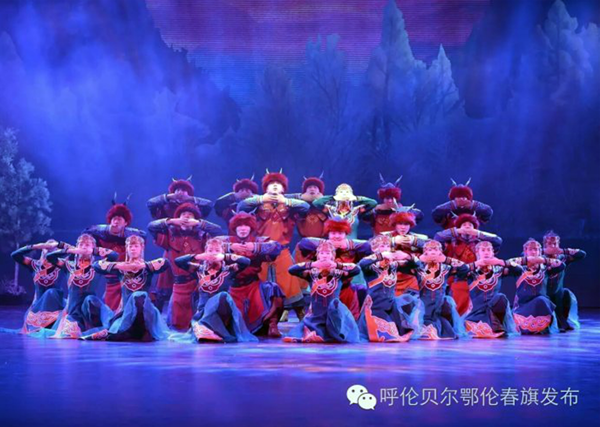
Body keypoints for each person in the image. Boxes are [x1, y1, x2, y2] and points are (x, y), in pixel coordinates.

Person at [237, 170, 310, 318]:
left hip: (282, 251)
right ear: (265, 188)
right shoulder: (258, 203)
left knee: (289, 283)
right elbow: (241, 207)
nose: (275, 186)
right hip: (262, 253)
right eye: (271, 184)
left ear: (283, 188)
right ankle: (264, 315)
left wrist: (286, 201)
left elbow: (305, 207)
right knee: (262, 283)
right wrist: (261, 199)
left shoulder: (289, 205)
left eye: (278, 184)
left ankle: (298, 314)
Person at [148, 203, 222, 330]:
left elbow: (218, 230)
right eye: (183, 215)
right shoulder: (170, 235)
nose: (186, 217)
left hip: (198, 285)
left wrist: (198, 223)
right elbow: (151, 227)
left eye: (190, 215)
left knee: (199, 324)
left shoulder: (202, 236)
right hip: (179, 286)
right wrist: (171, 221)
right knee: (176, 326)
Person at [147, 177, 212, 308]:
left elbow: (209, 205)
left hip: (193, 241)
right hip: (172, 241)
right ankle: (161, 309)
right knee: (166, 274)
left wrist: (189, 199)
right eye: (177, 190)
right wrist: (171, 217)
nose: (180, 192)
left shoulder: (195, 207)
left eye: (184, 190)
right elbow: (150, 204)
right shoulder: (167, 206)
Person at [175, 239, 257, 343]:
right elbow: (178, 261)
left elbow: (246, 262)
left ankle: (209, 328)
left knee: (223, 295)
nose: (213, 253)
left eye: (217, 250)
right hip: (203, 312)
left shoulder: (229, 270)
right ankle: (206, 328)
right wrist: (198, 256)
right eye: (210, 250)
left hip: (222, 311)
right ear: (205, 252)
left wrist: (225, 257)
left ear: (222, 252)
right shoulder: (198, 269)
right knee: (202, 321)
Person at [91, 235, 170, 341]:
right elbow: (96, 265)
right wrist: (119, 266)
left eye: (136, 246)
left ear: (142, 248)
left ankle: (143, 330)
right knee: (114, 334)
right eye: (130, 246)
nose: (133, 249)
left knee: (139, 295)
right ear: (127, 249)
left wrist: (142, 266)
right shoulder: (121, 268)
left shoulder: (148, 267)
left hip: (145, 312)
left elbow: (165, 262)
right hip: (126, 312)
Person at [218, 212, 285, 337]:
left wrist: (255, 247)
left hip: (253, 285)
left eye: (246, 226)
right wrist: (231, 247)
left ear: (251, 228)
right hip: (232, 286)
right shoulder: (225, 241)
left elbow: (276, 247)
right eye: (240, 226)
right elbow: (209, 246)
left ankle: (272, 325)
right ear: (234, 228)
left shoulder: (258, 241)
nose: (243, 229)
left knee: (273, 288)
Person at [284, 240, 360, 343]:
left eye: (328, 253)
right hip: (316, 316)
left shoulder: (339, 273)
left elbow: (357, 269)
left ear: (333, 256)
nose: (325, 256)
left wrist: (337, 265)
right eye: (322, 253)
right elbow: (291, 270)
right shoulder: (311, 273)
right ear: (317, 255)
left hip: (334, 315)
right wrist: (313, 264)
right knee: (310, 335)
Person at [296, 218, 372, 320]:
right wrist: (327, 244)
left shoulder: (351, 249)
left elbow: (367, 246)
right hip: (323, 292)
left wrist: (347, 244)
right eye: (333, 233)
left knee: (347, 321)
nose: (336, 236)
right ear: (328, 234)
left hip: (346, 291)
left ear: (346, 234)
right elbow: (304, 243)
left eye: (340, 233)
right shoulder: (322, 249)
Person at [46, 234, 117, 339]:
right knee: (70, 333)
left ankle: (96, 327)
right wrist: (71, 250)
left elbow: (114, 255)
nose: (84, 247)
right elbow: (50, 257)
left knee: (90, 299)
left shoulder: (97, 266)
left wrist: (93, 251)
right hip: (73, 311)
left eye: (87, 245)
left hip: (90, 309)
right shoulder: (68, 265)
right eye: (81, 245)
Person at [84, 198, 146, 311]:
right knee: (111, 311)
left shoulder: (131, 237)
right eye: (114, 219)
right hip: (112, 280)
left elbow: (143, 235)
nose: (116, 221)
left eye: (119, 219)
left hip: (129, 278)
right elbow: (87, 234)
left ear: (126, 223)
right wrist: (109, 230)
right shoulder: (102, 234)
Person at [397, 240, 468, 340]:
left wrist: (446, 259)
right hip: (423, 305)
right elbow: (400, 267)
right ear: (425, 252)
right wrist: (419, 259)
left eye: (436, 250)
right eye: (430, 250)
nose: (433, 252)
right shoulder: (418, 268)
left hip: (439, 304)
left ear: (441, 252)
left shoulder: (446, 268)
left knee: (443, 311)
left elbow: (465, 269)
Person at [434, 214, 502, 316]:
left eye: (470, 225)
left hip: (476, 277)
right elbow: (438, 237)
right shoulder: (452, 242)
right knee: (456, 303)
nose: (467, 227)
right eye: (464, 225)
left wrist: (477, 233)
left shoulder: (479, 243)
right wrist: (457, 231)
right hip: (456, 277)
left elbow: (497, 240)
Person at [357, 234, 414, 343]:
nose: (386, 249)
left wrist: (406, 256)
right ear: (374, 249)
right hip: (375, 305)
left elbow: (415, 265)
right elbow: (361, 263)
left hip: (390, 304)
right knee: (385, 335)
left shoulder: (394, 265)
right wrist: (381, 255)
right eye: (382, 246)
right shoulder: (371, 267)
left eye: (387, 246)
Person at [457, 241, 520, 338]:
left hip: (493, 307)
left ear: (493, 253)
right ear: (477, 253)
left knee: (501, 297)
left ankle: (497, 326)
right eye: (483, 250)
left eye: (489, 250)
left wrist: (501, 262)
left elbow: (518, 270)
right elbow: (458, 271)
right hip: (476, 312)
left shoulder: (498, 270)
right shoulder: (471, 270)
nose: (486, 252)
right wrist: (476, 264)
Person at [507, 239, 565, 335]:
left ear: (540, 251)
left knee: (542, 300)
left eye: (536, 249)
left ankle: (543, 326)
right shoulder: (519, 269)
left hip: (542, 305)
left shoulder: (545, 269)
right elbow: (508, 263)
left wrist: (543, 260)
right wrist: (526, 260)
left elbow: (561, 265)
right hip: (523, 307)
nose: (533, 252)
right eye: (530, 249)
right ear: (525, 251)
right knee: (541, 301)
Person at [11, 240, 66, 334]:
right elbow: (15, 255)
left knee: (51, 292)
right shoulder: (34, 265)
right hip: (38, 309)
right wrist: (36, 246)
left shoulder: (62, 265)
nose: (50, 249)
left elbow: (75, 252)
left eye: (53, 248)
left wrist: (60, 245)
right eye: (47, 247)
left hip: (57, 309)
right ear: (42, 249)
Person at [542, 230, 586, 332]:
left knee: (565, 293)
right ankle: (550, 324)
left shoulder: (562, 258)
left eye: (555, 244)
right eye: (550, 244)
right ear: (544, 245)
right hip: (543, 292)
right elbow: (525, 257)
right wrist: (544, 252)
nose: (553, 246)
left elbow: (581, 254)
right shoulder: (539, 257)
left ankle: (561, 322)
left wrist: (562, 251)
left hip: (557, 291)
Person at [385, 211, 429, 297]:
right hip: (389, 278)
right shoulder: (386, 236)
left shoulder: (417, 238)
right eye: (400, 224)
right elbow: (371, 246)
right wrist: (392, 241)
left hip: (411, 277)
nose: (403, 227)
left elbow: (434, 246)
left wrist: (414, 242)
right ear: (395, 224)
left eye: (406, 224)